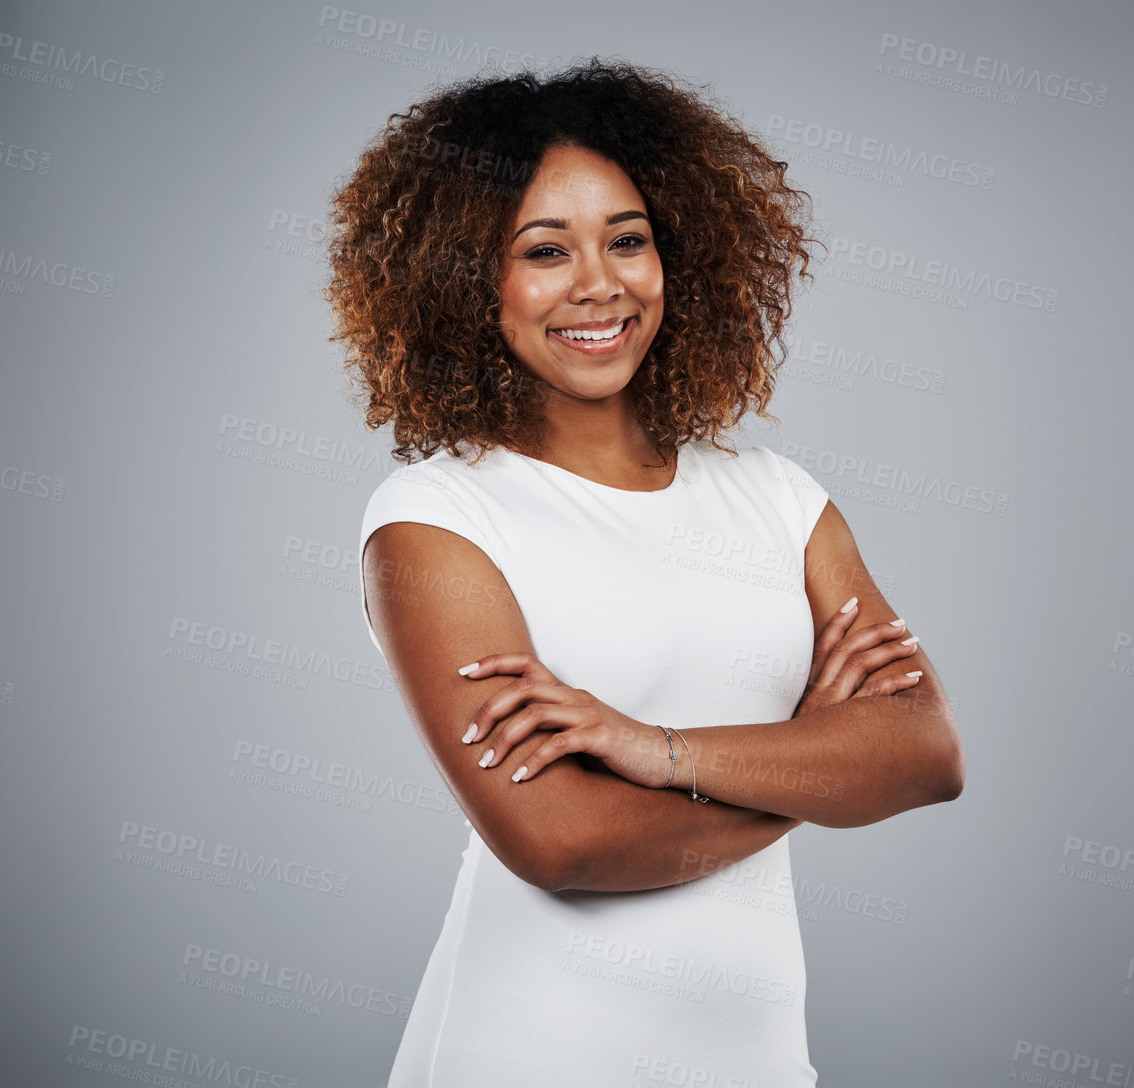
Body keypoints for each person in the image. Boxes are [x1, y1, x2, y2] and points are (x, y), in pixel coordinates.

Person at [328, 59, 965, 1085]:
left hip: (758, 1062)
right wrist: (820, 759)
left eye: (629, 239)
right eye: (544, 251)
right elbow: (562, 841)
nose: (600, 283)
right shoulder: (438, 519)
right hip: (525, 1052)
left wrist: (654, 749)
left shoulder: (779, 500)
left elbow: (927, 753)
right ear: (465, 278)